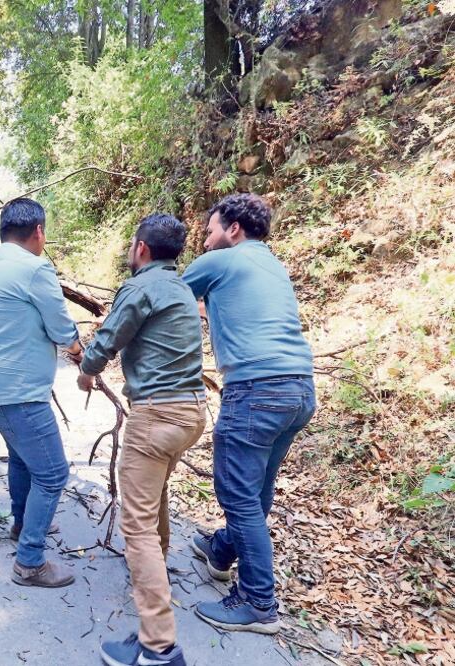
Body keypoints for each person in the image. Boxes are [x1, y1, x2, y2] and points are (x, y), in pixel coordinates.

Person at [183, 194, 315, 634]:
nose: (205, 239)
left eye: (209, 230)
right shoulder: (271, 265)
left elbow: (162, 296)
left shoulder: (222, 262)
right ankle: (221, 551)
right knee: (256, 489)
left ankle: (259, 603)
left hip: (256, 391)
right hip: (298, 390)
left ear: (233, 229)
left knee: (239, 496)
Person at [77, 214, 206, 666]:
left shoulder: (140, 287)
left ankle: (158, 646)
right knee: (155, 500)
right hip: (191, 413)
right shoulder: (184, 288)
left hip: (156, 415)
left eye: (132, 246)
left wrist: (86, 372)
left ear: (142, 250)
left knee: (136, 526)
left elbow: (109, 339)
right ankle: (158, 579)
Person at [0, 198, 82, 588]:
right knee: (53, 473)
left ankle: (22, 525)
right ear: (38, 232)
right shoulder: (35, 269)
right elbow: (61, 327)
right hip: (18, 395)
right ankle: (30, 562)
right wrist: (79, 350)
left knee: (22, 460)